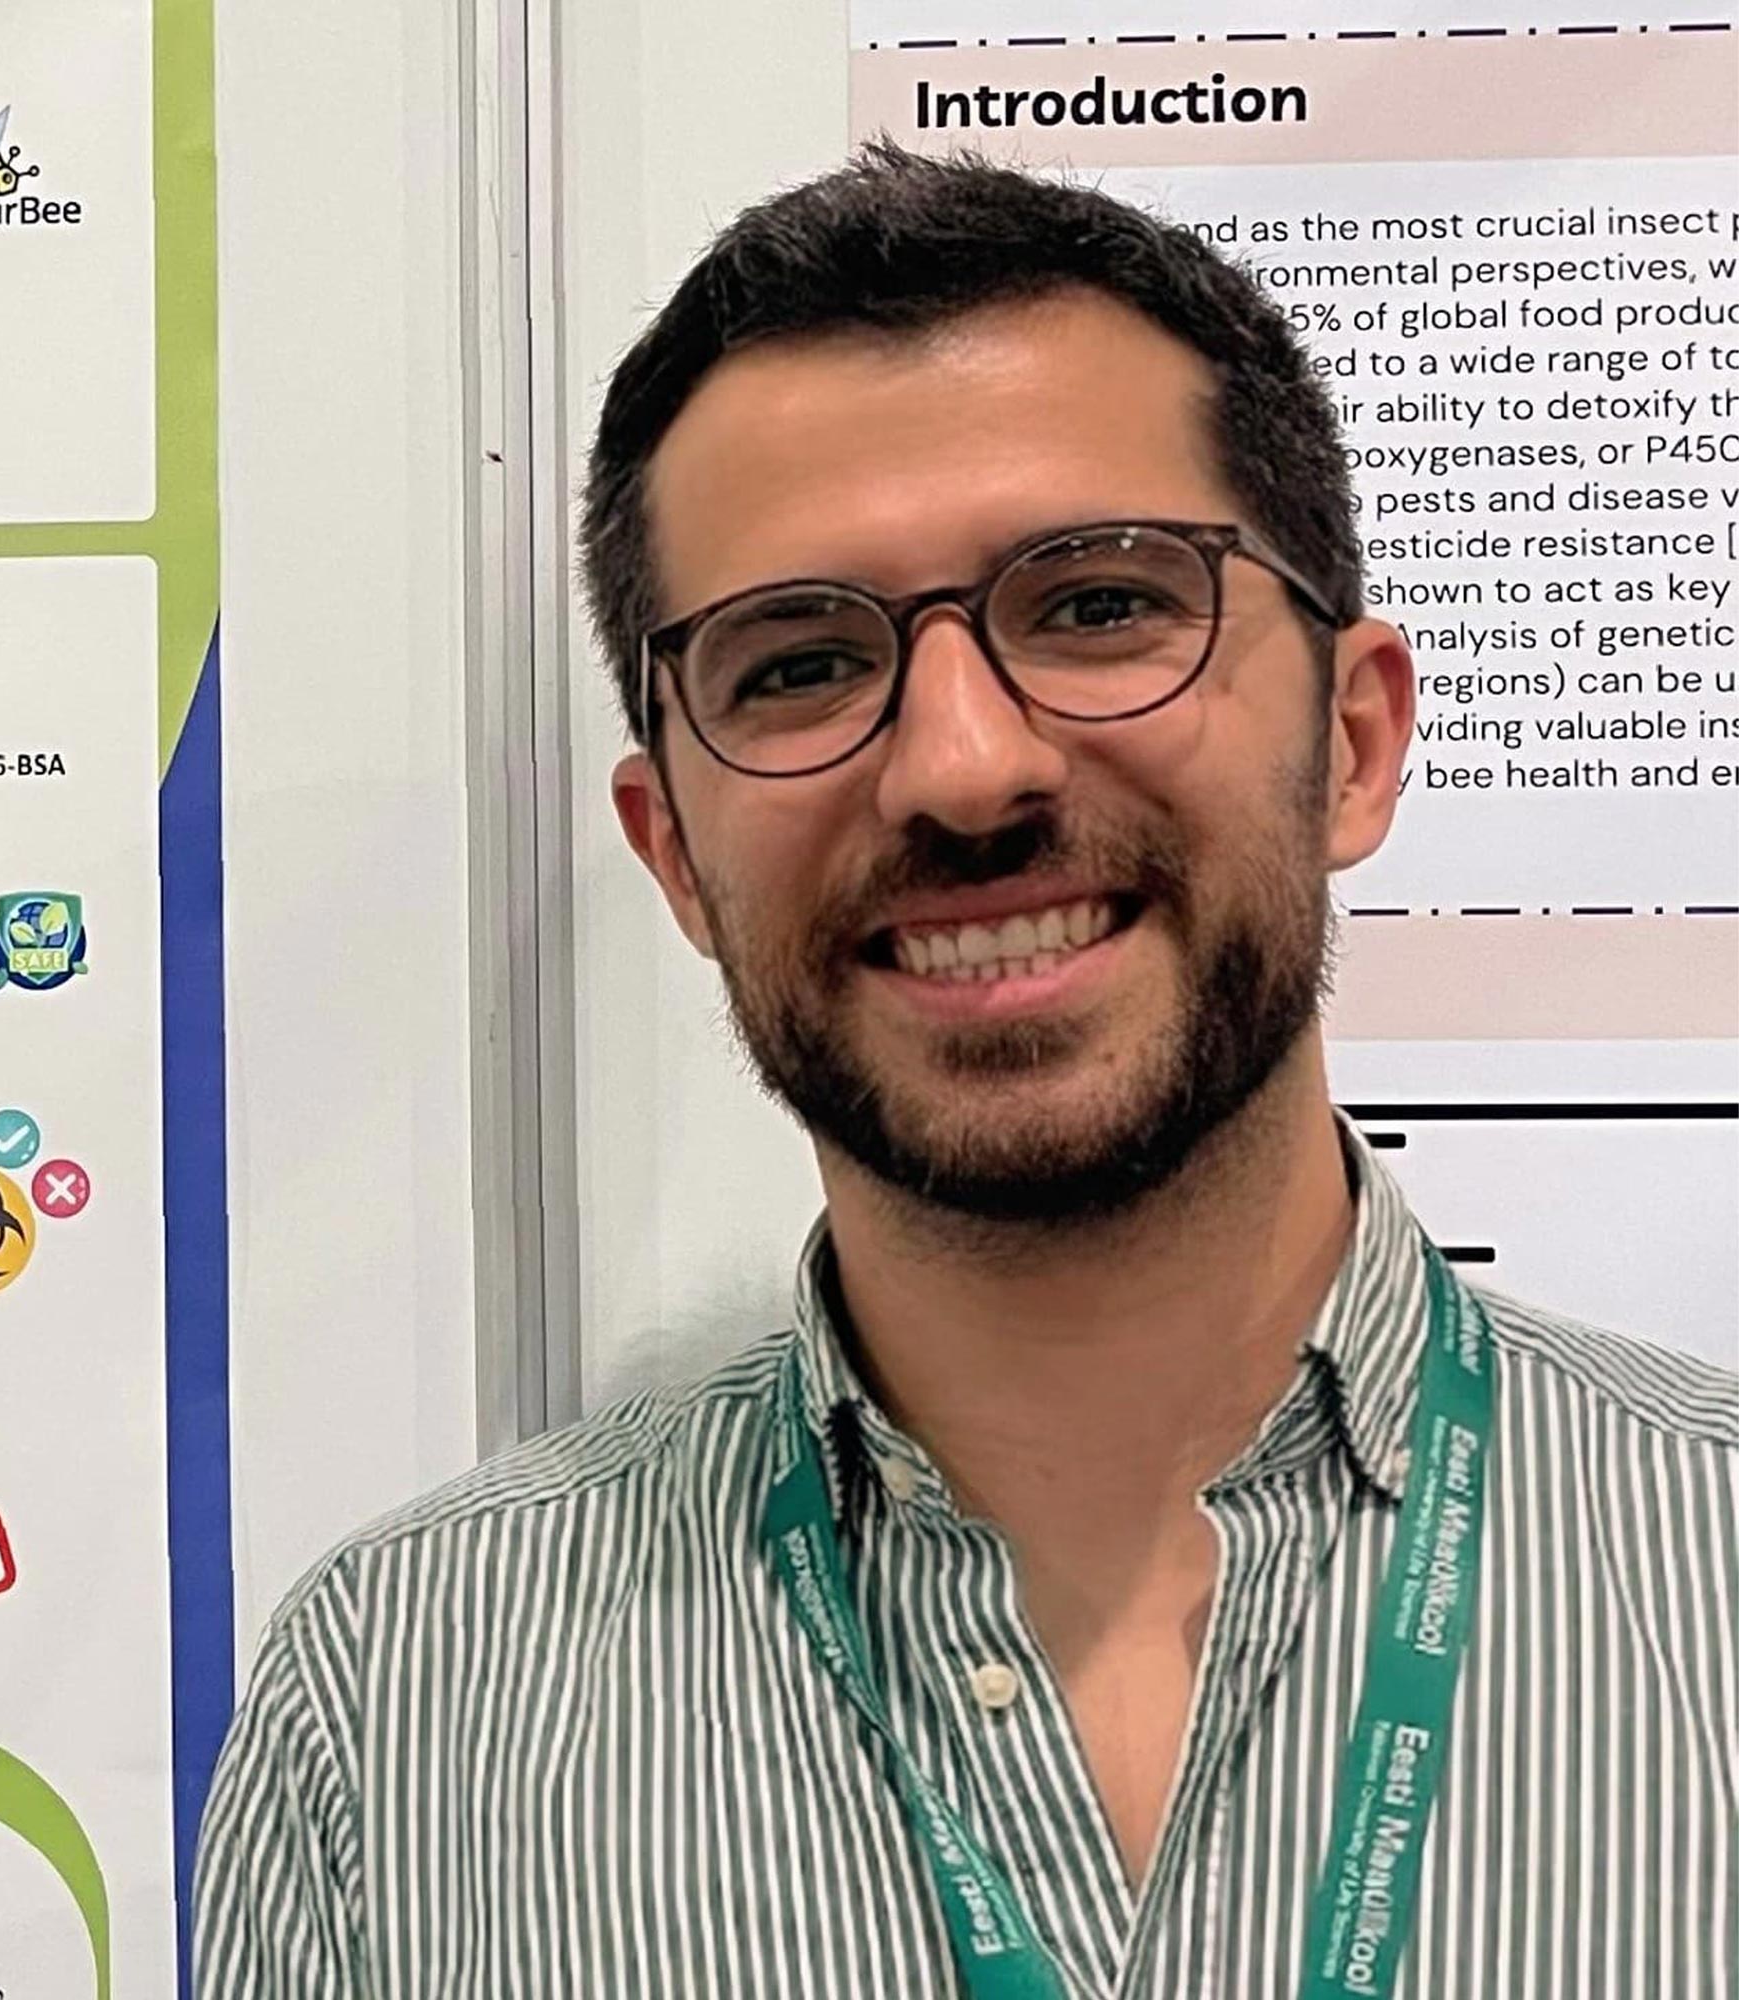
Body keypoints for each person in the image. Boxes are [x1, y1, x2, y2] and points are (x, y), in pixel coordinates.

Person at [193, 144, 1738, 1998]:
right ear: (677, 854)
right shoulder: (401, 1709)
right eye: (798, 665)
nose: (960, 767)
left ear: (1351, 741)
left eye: (1097, 605)